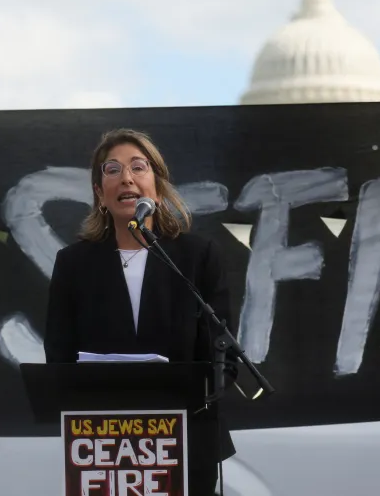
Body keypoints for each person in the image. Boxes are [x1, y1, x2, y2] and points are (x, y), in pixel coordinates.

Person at [43, 128, 239, 495]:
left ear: (158, 187)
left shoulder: (197, 257)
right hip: (106, 448)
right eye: (112, 170)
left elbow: (222, 358)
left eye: (138, 167)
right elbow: (59, 356)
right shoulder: (73, 264)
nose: (127, 178)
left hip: (185, 442)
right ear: (100, 193)